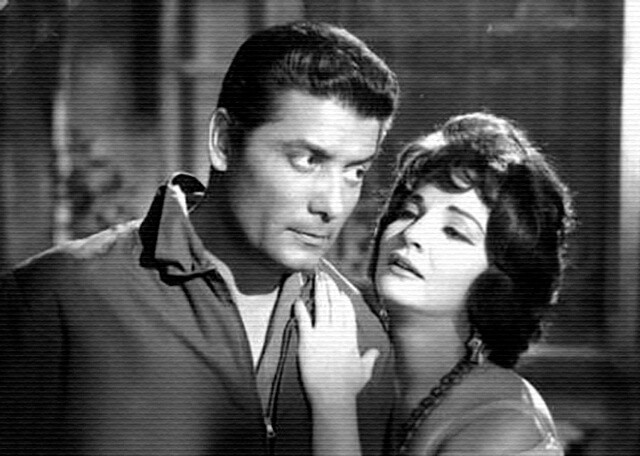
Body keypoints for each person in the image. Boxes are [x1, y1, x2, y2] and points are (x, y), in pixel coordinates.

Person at [0, 21, 399, 455]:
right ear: (223, 141)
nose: (334, 205)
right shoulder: (58, 299)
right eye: (307, 160)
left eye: (356, 171)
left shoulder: (361, 337)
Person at [296, 112, 575, 455]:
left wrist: (332, 403)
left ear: (502, 279)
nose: (413, 233)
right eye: (409, 213)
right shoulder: (354, 359)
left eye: (454, 231)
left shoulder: (506, 422)